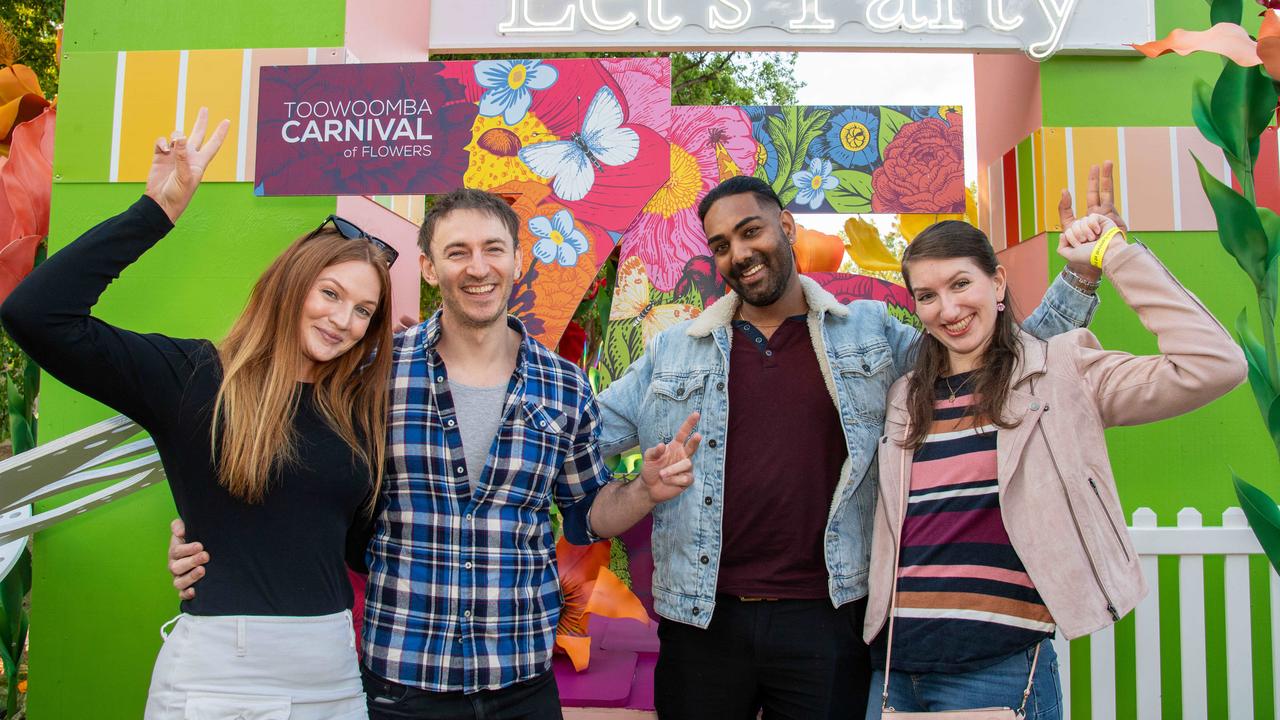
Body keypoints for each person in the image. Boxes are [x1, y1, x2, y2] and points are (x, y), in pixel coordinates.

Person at [171, 186, 702, 720]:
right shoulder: (371, 375)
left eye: (494, 249)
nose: (478, 267)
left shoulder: (564, 385)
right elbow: (296, 474)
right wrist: (210, 536)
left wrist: (644, 491)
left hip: (521, 680)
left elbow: (587, 517)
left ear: (517, 259)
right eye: (457, 252)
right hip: (401, 681)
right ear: (428, 267)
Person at [591, 174, 1104, 719]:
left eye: (750, 232)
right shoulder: (673, 350)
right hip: (701, 620)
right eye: (721, 245)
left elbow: (998, 363)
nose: (739, 254)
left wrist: (1080, 277)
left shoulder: (869, 333)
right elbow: (585, 436)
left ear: (786, 228)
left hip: (829, 619)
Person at [1, 109, 397, 718]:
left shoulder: (357, 413)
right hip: (220, 679)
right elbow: (36, 314)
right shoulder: (196, 378)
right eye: (331, 294)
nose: (343, 321)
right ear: (291, 286)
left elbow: (358, 549)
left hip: (333, 676)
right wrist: (155, 212)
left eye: (364, 311)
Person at [861, 184, 1246, 718]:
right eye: (927, 295)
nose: (947, 309)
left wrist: (1113, 253)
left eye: (960, 283)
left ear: (997, 282)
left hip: (997, 669)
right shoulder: (906, 396)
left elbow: (1213, 364)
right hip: (892, 670)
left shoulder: (1061, 374)